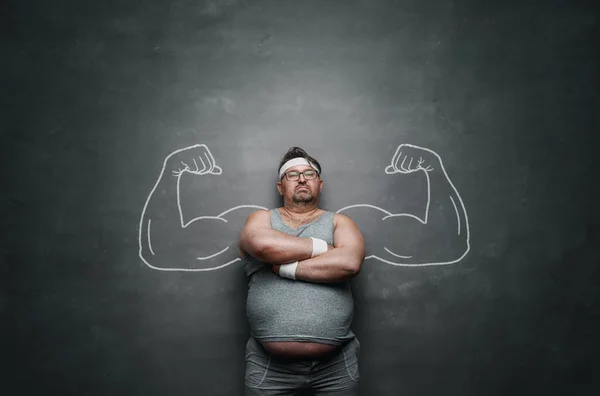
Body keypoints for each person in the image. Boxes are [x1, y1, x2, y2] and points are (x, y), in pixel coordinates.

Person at [238, 147, 366, 395]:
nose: (302, 179)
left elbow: (349, 262)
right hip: (269, 368)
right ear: (280, 187)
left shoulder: (339, 222)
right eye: (292, 175)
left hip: (337, 367)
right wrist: (323, 248)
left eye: (309, 173)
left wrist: (285, 268)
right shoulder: (261, 219)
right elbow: (263, 245)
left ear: (319, 184)